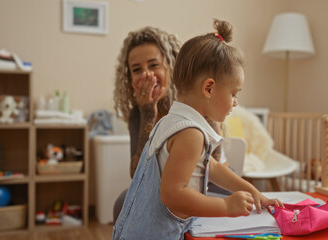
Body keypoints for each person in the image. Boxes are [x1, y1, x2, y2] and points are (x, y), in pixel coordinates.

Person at [112, 19, 284, 240]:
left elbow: (211, 166)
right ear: (209, 88)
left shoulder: (173, 120)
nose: (235, 102)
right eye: (234, 93)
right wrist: (225, 206)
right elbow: (172, 195)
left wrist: (255, 193)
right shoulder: (190, 133)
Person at [112, 26, 227, 222]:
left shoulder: (195, 102)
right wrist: (148, 113)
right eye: (137, 70)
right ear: (129, 78)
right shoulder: (137, 115)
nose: (147, 75)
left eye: (154, 65)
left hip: (208, 189)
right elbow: (137, 175)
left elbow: (212, 163)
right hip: (166, 193)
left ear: (171, 66)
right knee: (123, 201)